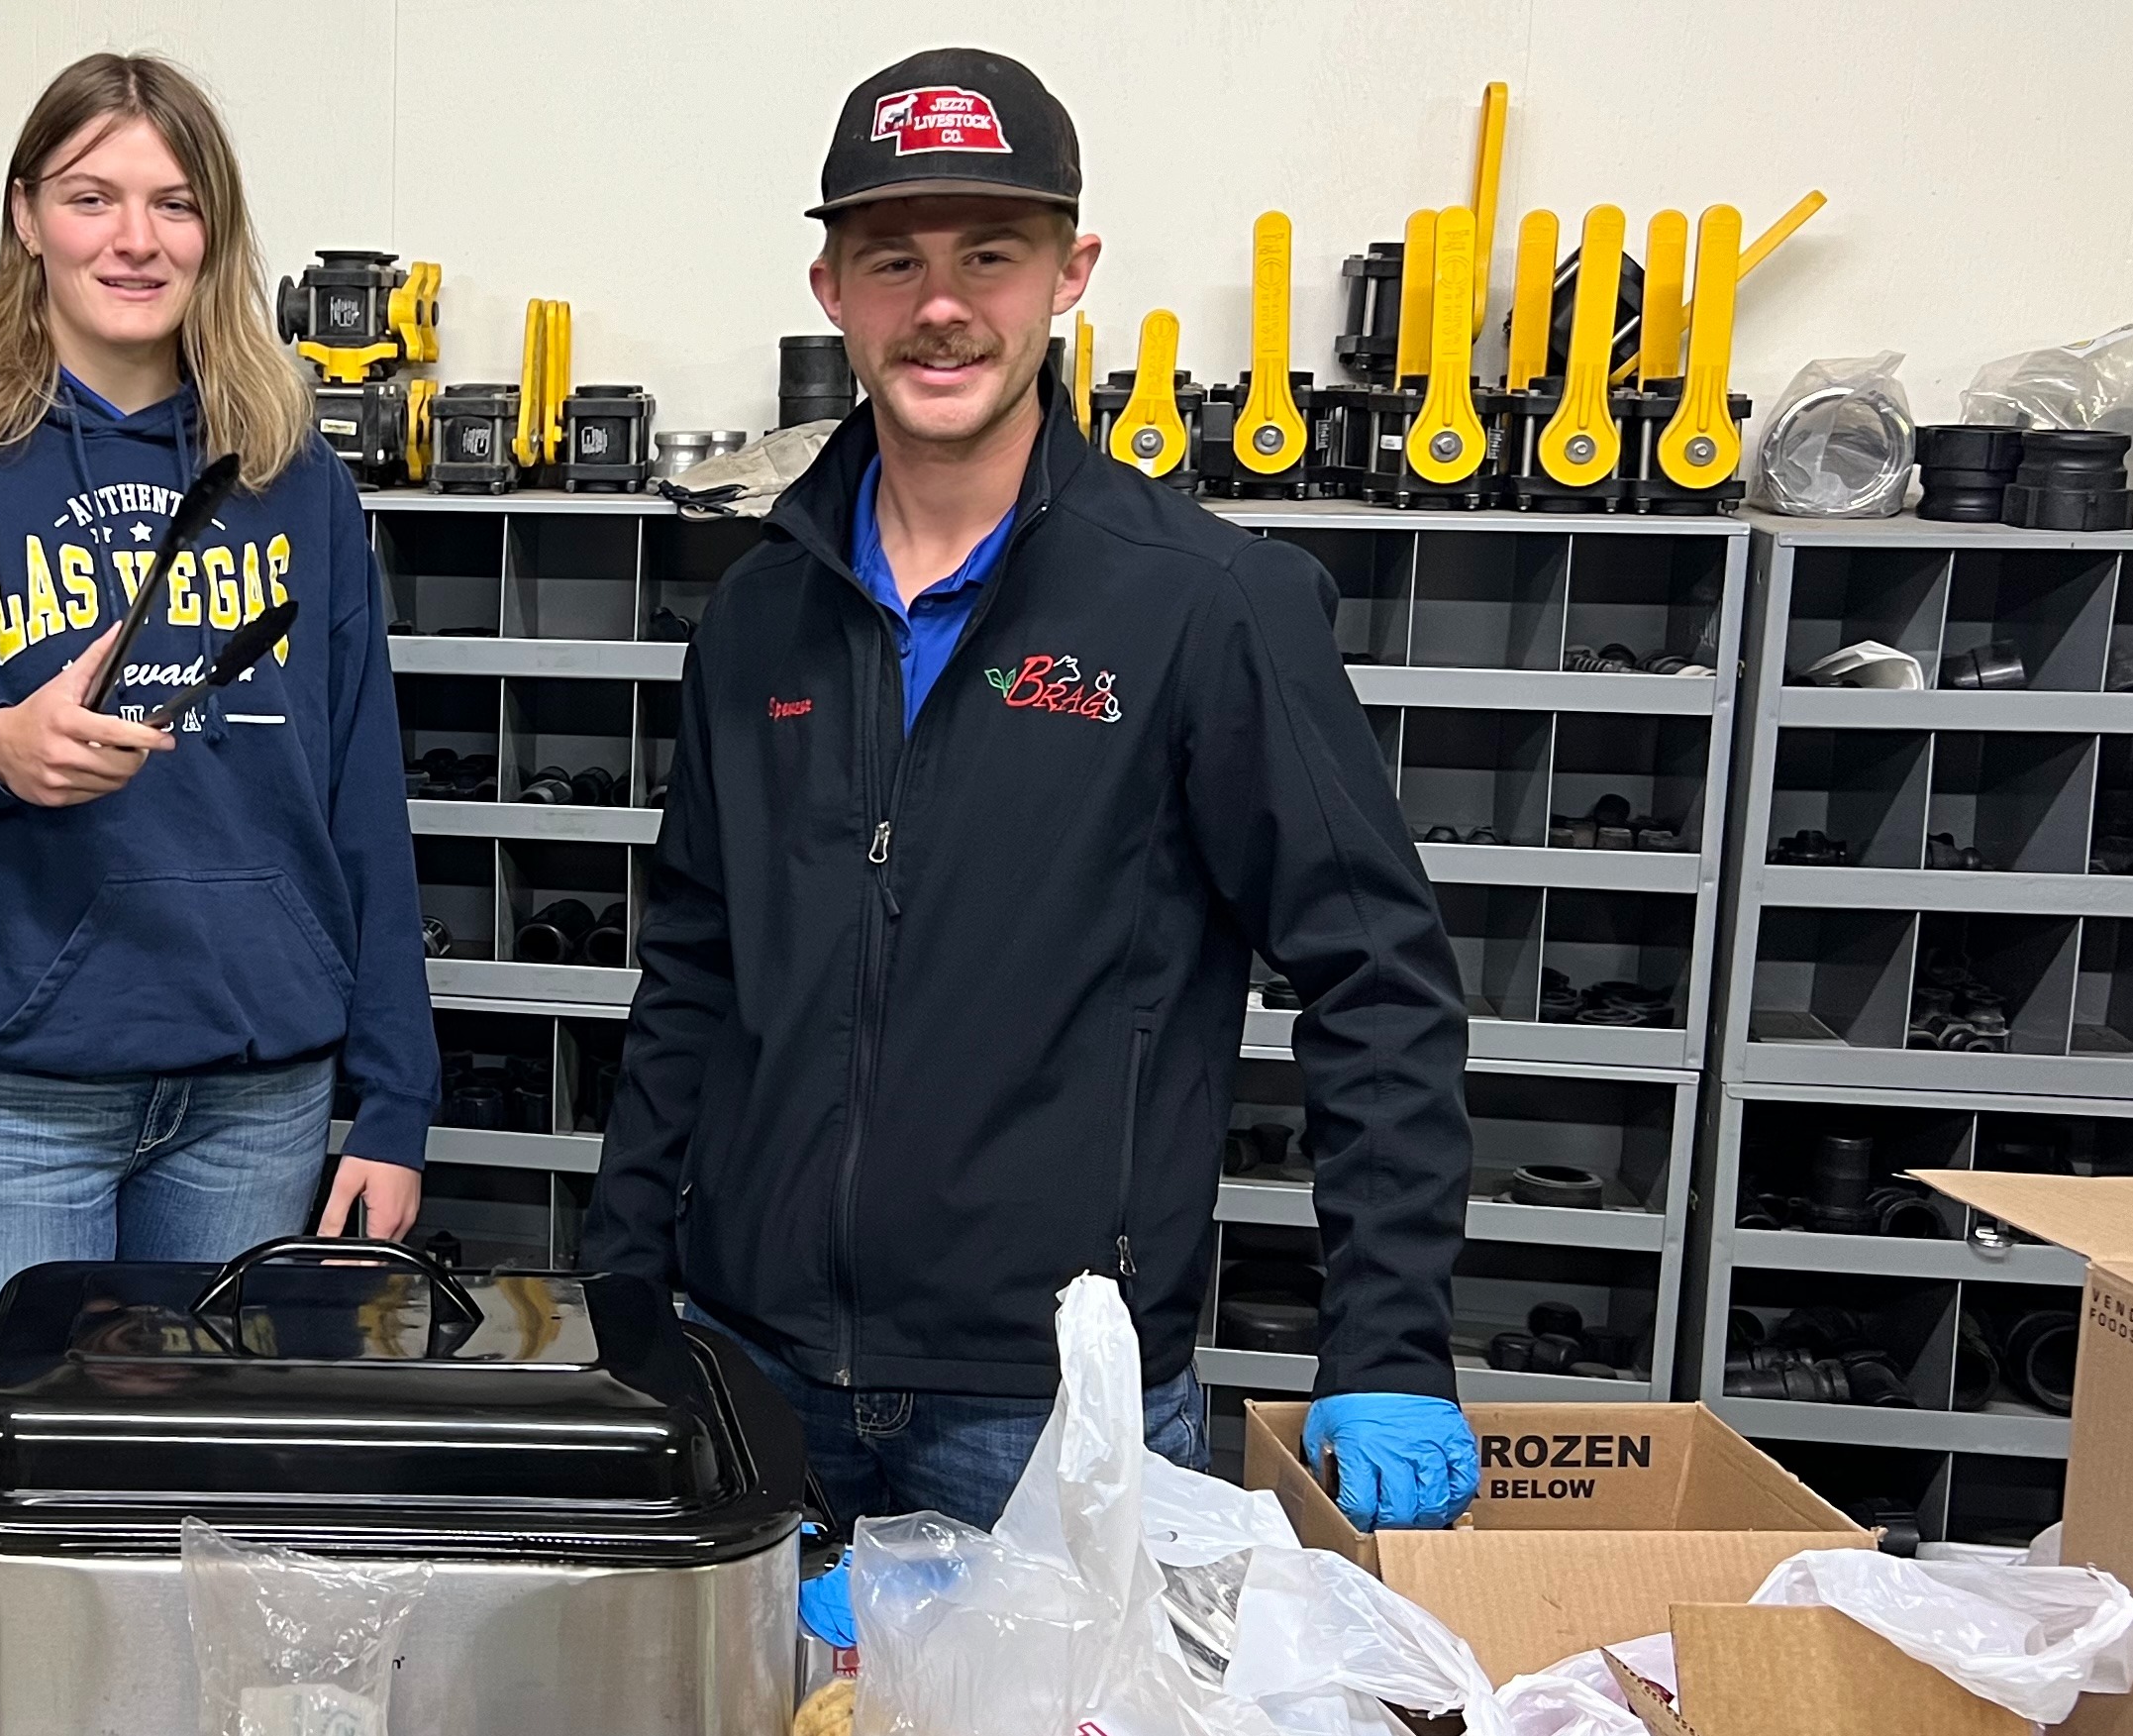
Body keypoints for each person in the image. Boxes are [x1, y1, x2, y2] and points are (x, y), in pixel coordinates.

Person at [585, 48, 1481, 1539]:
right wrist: (627, 1294)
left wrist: (1389, 1338)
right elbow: (692, 972)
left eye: (988, 254)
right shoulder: (757, 619)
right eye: (895, 259)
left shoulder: (1208, 606)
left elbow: (1377, 976)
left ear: (1071, 270)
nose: (942, 305)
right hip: (748, 1372)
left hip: (1049, 1403)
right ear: (833, 289)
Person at [0, 52, 435, 1372]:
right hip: (8, 1105)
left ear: (215, 231)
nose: (134, 238)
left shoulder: (295, 473)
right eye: (91, 196)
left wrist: (396, 1102)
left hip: (257, 1098)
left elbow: (362, 802)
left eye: (174, 203)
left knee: (200, 1527)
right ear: (24, 216)